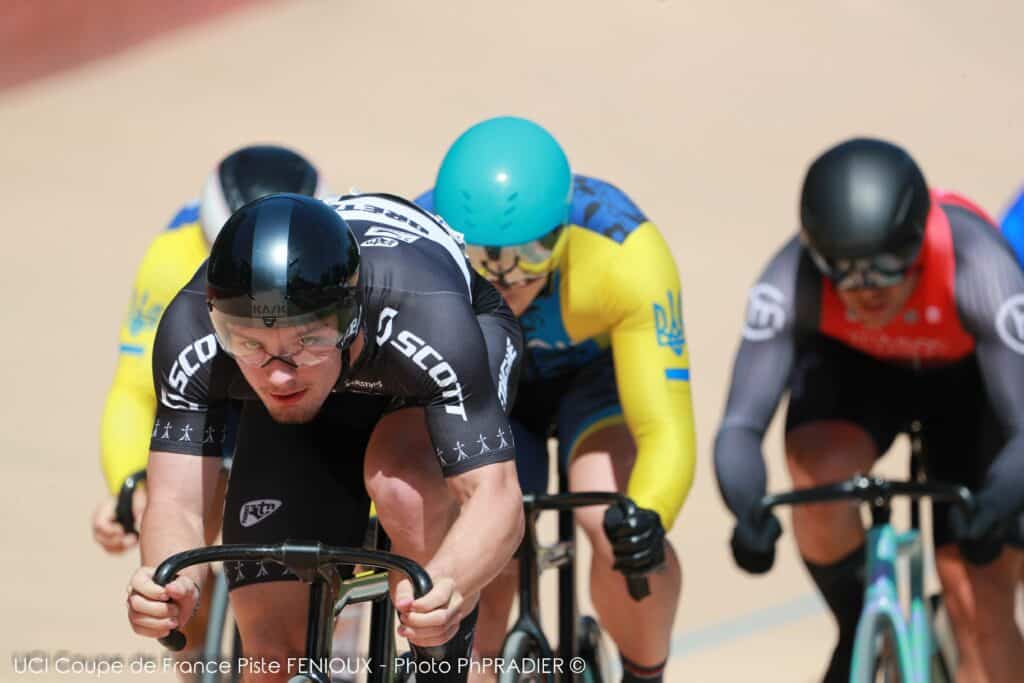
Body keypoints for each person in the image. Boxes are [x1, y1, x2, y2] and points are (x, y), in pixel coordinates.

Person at [125, 192, 525, 683]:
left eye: (307, 340)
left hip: (420, 359)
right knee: (273, 660)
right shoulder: (191, 330)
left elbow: (495, 497)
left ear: (351, 317)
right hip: (326, 389)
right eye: (249, 344)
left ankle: (440, 666)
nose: (278, 374)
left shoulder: (428, 315)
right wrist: (171, 583)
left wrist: (449, 586)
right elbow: (176, 503)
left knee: (403, 481)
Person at [714, 137, 1024, 682]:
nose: (866, 288)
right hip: (857, 373)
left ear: (917, 243)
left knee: (979, 597)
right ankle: (855, 623)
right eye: (843, 269)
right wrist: (747, 509)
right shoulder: (789, 278)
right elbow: (740, 425)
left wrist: (997, 502)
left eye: (887, 265)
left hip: (968, 386)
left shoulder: (980, 267)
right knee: (819, 476)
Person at [418, 116, 696, 683]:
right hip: (489, 384)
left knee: (612, 519)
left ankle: (644, 675)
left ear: (563, 232)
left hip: (592, 383)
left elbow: (666, 428)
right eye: (481, 256)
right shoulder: (417, 248)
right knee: (485, 540)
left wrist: (650, 512)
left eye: (531, 254)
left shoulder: (627, 254)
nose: (506, 277)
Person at [93, 145, 326, 664]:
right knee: (172, 534)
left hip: (301, 400)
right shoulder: (170, 259)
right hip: (211, 389)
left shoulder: (336, 259)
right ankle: (194, 654)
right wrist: (128, 484)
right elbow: (135, 388)